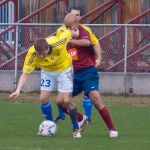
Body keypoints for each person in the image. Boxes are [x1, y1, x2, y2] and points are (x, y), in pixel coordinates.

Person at [9, 13, 82, 138]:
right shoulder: (32, 54)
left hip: (64, 69)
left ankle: (76, 127)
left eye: (44, 53)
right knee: (43, 98)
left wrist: (75, 30)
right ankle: (49, 125)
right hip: (47, 72)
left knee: (67, 100)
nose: (42, 56)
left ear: (48, 47)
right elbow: (25, 74)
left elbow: (72, 33)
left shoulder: (59, 41)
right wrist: (17, 90)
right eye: (40, 54)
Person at [57, 11, 119, 138]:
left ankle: (112, 129)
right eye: (66, 26)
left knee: (95, 98)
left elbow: (88, 43)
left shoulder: (84, 31)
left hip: (87, 72)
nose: (67, 28)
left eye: (69, 26)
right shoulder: (62, 33)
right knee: (60, 101)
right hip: (71, 74)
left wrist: (71, 40)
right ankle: (81, 119)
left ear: (76, 23)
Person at [54, 7, 99, 123]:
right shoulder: (60, 31)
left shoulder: (85, 30)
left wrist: (99, 58)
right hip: (68, 67)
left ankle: (87, 117)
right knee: (60, 95)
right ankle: (61, 115)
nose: (76, 17)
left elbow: (94, 43)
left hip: (83, 67)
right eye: (74, 15)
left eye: (78, 15)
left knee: (87, 94)